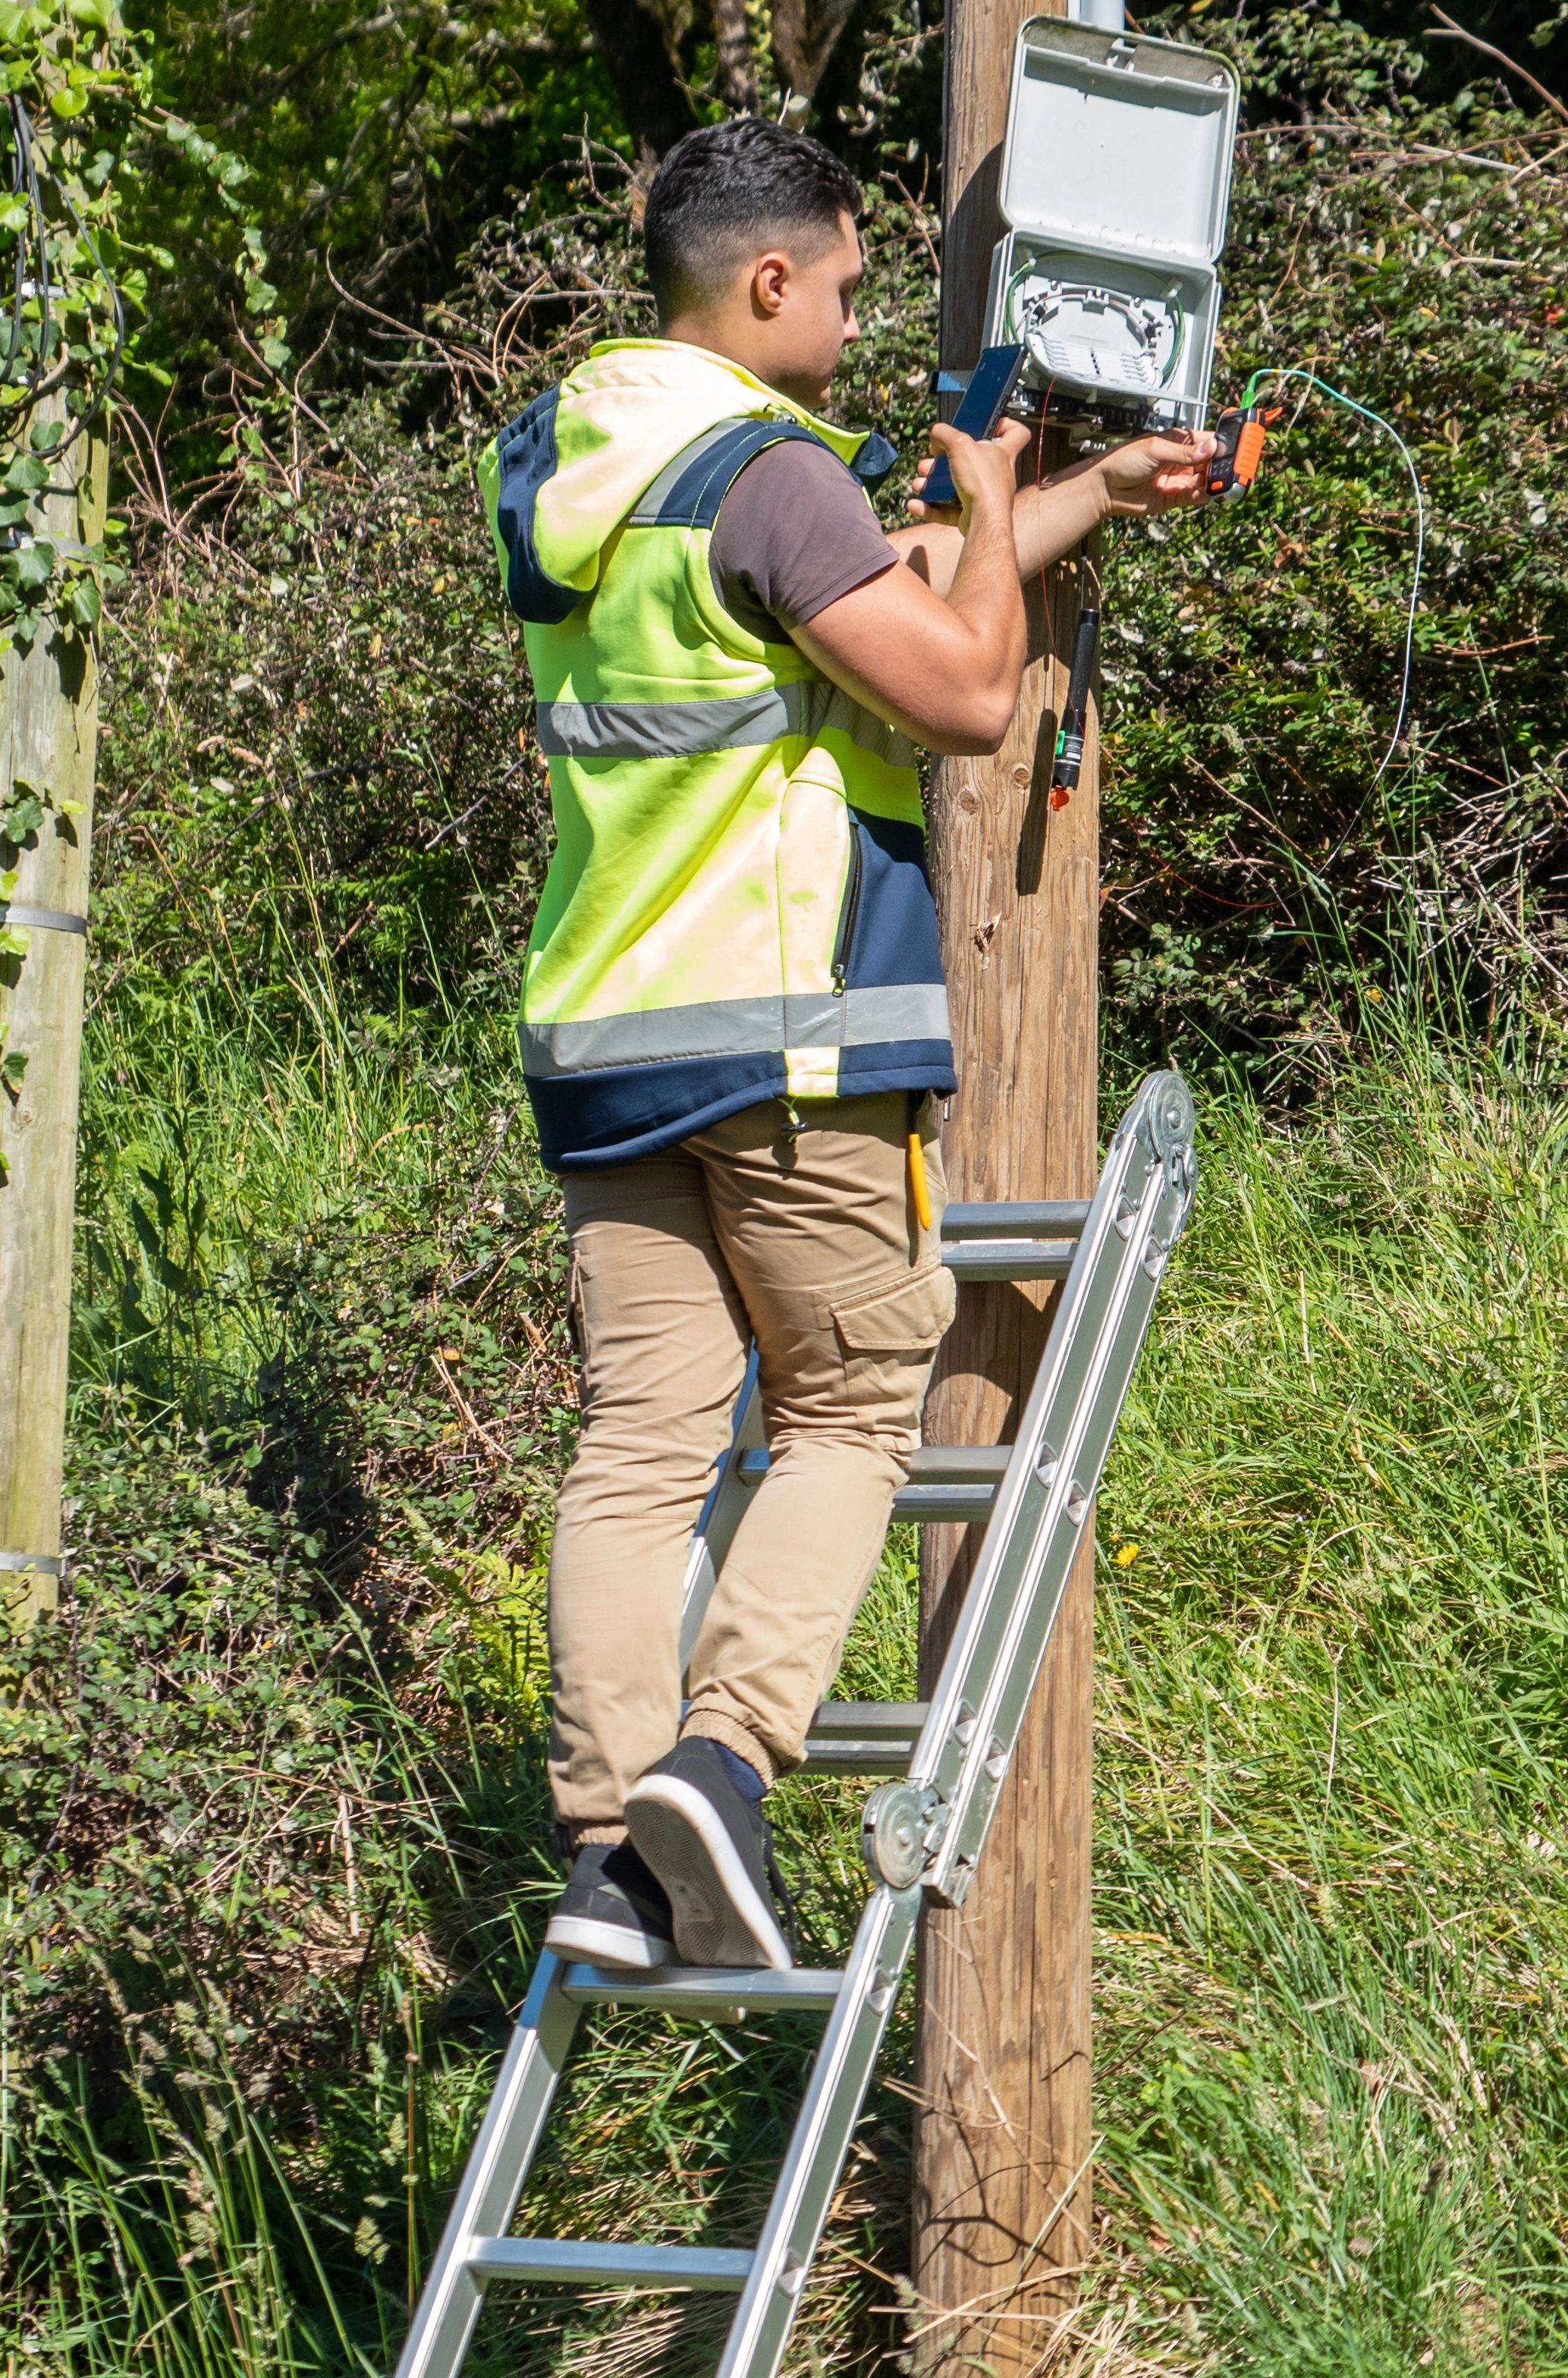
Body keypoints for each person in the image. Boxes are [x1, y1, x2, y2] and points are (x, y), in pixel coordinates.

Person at [480, 117, 1211, 1972]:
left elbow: (865, 604)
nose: (861, 316)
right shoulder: (770, 470)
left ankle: (608, 1852)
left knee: (641, 1443)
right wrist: (978, 494)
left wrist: (1071, 501)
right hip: (794, 1035)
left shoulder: (578, 462)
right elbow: (964, 691)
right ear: (773, 280)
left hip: (612, 1036)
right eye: (854, 284)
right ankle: (723, 1774)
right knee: (850, 1408)